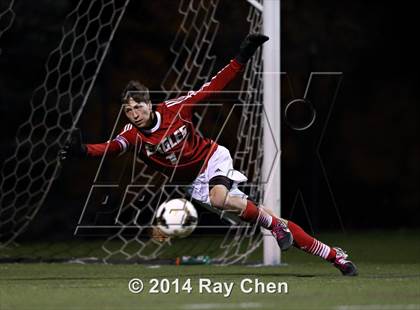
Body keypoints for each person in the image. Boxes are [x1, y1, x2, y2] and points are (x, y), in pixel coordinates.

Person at [61, 34, 357, 276]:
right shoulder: (132, 135)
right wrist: (81, 150)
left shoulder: (177, 108)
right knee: (265, 218)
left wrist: (242, 56)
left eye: (138, 107)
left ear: (150, 104)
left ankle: (277, 227)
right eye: (128, 110)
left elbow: (215, 86)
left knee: (223, 200)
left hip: (212, 159)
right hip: (195, 184)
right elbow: (111, 148)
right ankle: (334, 255)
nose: (134, 113)